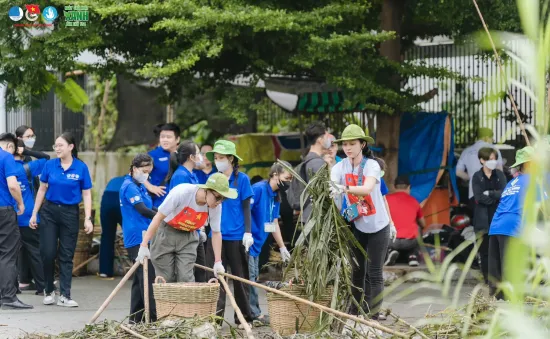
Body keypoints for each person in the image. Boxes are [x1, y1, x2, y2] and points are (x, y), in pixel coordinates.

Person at [329, 124, 394, 320]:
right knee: (358, 270)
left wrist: (344, 188)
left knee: (374, 272)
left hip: (378, 226)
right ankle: (356, 310)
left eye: (352, 143)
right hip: (357, 224)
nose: (348, 148)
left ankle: (373, 316)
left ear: (362, 144)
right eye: (345, 144)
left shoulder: (372, 165)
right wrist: (331, 190)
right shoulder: (340, 166)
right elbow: (331, 185)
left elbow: (366, 189)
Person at [30, 132, 94, 307]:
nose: (57, 148)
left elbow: (87, 194)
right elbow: (42, 190)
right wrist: (35, 213)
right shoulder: (50, 165)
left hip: (70, 214)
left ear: (71, 147)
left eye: (60, 145)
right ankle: (49, 290)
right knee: (48, 253)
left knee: (66, 255)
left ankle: (65, 295)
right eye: (55, 146)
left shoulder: (81, 167)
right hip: (49, 212)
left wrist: (88, 218)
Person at [136, 173, 233, 285]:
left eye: (223, 199)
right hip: (166, 233)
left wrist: (218, 261)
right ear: (207, 190)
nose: (219, 202)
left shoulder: (216, 207)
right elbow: (158, 217)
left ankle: (185, 302)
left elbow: (216, 232)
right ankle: (168, 302)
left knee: (186, 279)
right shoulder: (182, 193)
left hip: (188, 237)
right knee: (166, 279)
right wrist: (144, 245)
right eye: (217, 197)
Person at [205, 140, 255, 326]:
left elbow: (246, 207)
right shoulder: (212, 178)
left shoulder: (241, 179)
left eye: (222, 158)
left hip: (236, 236)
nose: (218, 161)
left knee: (240, 279)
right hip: (215, 237)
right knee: (215, 279)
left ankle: (244, 318)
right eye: (216, 158)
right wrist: (203, 227)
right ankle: (215, 320)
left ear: (231, 159)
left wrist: (248, 232)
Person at [488, 146, 546, 299]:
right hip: (513, 226)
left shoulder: (512, 182)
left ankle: (498, 300)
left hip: (496, 226)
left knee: (498, 268)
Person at [248, 162, 293, 325]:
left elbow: (273, 221)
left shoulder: (276, 196)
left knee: (253, 275)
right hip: (248, 241)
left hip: (259, 241)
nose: (289, 182)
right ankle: (254, 313)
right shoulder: (259, 189)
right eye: (287, 177)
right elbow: (245, 210)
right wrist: (246, 233)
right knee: (251, 277)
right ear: (275, 175)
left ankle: (252, 312)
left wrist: (282, 247)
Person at [119, 154, 157, 323]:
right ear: (134, 169)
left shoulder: (140, 186)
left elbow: (151, 207)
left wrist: (164, 211)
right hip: (137, 238)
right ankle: (153, 319)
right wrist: (164, 217)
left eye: (149, 172)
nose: (146, 175)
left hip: (146, 235)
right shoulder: (129, 186)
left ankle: (135, 319)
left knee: (139, 279)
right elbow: (143, 210)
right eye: (144, 171)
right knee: (147, 280)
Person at [164, 140, 208, 282]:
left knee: (201, 269)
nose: (201, 156)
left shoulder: (191, 174)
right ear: (191, 157)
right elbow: (180, 207)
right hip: (185, 229)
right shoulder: (181, 176)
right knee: (191, 272)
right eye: (199, 153)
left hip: (193, 228)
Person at [12, 139, 48, 295]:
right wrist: (26, 151)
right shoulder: (27, 168)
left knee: (9, 254)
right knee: (35, 252)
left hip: (9, 216)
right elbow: (45, 158)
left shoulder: (4, 169)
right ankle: (42, 287)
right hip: (28, 216)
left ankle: (12, 289)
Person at [0, 133, 32, 309]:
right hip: (4, 211)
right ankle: (8, 297)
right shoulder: (6, 157)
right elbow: (13, 185)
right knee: (8, 253)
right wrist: (20, 203)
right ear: (9, 146)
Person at [471, 147, 507, 284]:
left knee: (498, 251)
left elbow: (504, 193)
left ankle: (499, 279)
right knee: (484, 252)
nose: (493, 162)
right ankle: (487, 279)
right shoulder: (477, 177)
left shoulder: (500, 175)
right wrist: (495, 197)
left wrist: (490, 194)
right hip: (482, 221)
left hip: (498, 219)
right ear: (482, 160)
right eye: (490, 159)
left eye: (494, 159)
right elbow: (479, 197)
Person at [456, 128, 503, 212]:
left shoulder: (467, 151)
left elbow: (458, 172)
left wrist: (470, 177)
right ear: (486, 137)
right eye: (491, 138)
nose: (492, 140)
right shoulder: (494, 150)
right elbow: (500, 172)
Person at [384, 176, 426, 267]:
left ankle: (389, 252)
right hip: (410, 242)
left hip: (391, 241)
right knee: (418, 227)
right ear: (409, 187)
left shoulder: (386, 199)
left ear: (394, 187)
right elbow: (423, 224)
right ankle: (413, 255)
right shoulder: (414, 201)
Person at [301, 122, 332, 222]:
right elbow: (326, 190)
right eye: (326, 137)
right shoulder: (317, 163)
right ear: (319, 140)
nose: (328, 140)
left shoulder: (309, 159)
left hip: (310, 215)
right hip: (316, 217)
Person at [146, 123, 181, 207]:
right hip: (159, 204)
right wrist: (150, 187)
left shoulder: (182, 155)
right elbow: (135, 173)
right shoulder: (153, 155)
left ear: (177, 139)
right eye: (162, 137)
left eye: (168, 137)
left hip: (179, 203)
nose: (165, 140)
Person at [98, 175, 124, 278]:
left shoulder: (114, 180)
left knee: (107, 236)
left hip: (107, 199)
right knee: (130, 235)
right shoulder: (137, 181)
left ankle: (104, 271)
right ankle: (137, 269)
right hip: (121, 199)